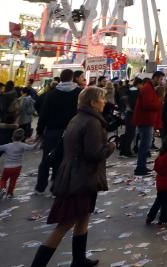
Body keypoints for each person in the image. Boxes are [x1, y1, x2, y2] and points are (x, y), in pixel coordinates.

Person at [29, 86, 115, 267]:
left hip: (76, 174)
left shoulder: (78, 118)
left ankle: (79, 259)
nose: (104, 101)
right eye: (102, 98)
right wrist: (110, 147)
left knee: (83, 217)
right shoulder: (92, 122)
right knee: (65, 223)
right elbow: (93, 153)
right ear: (92, 102)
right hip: (80, 177)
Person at [34, 68, 81, 194]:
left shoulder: (52, 94)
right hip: (70, 131)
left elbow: (43, 114)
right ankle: (57, 185)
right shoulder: (78, 93)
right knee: (65, 159)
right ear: (72, 78)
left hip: (52, 131)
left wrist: (39, 130)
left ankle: (40, 186)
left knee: (46, 159)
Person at [0, 128, 38, 200]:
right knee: (13, 181)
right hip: (17, 167)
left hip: (7, 167)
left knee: (3, 179)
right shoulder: (23, 145)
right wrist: (39, 141)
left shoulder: (8, 145)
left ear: (12, 137)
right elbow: (32, 147)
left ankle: (3, 189)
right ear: (22, 138)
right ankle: (10, 193)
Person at [132, 72, 163, 176]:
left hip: (146, 120)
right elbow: (147, 105)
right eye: (160, 79)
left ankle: (142, 166)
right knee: (145, 145)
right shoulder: (147, 88)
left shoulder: (148, 88)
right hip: (145, 120)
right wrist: (159, 103)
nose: (161, 81)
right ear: (155, 78)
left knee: (145, 145)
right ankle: (140, 167)